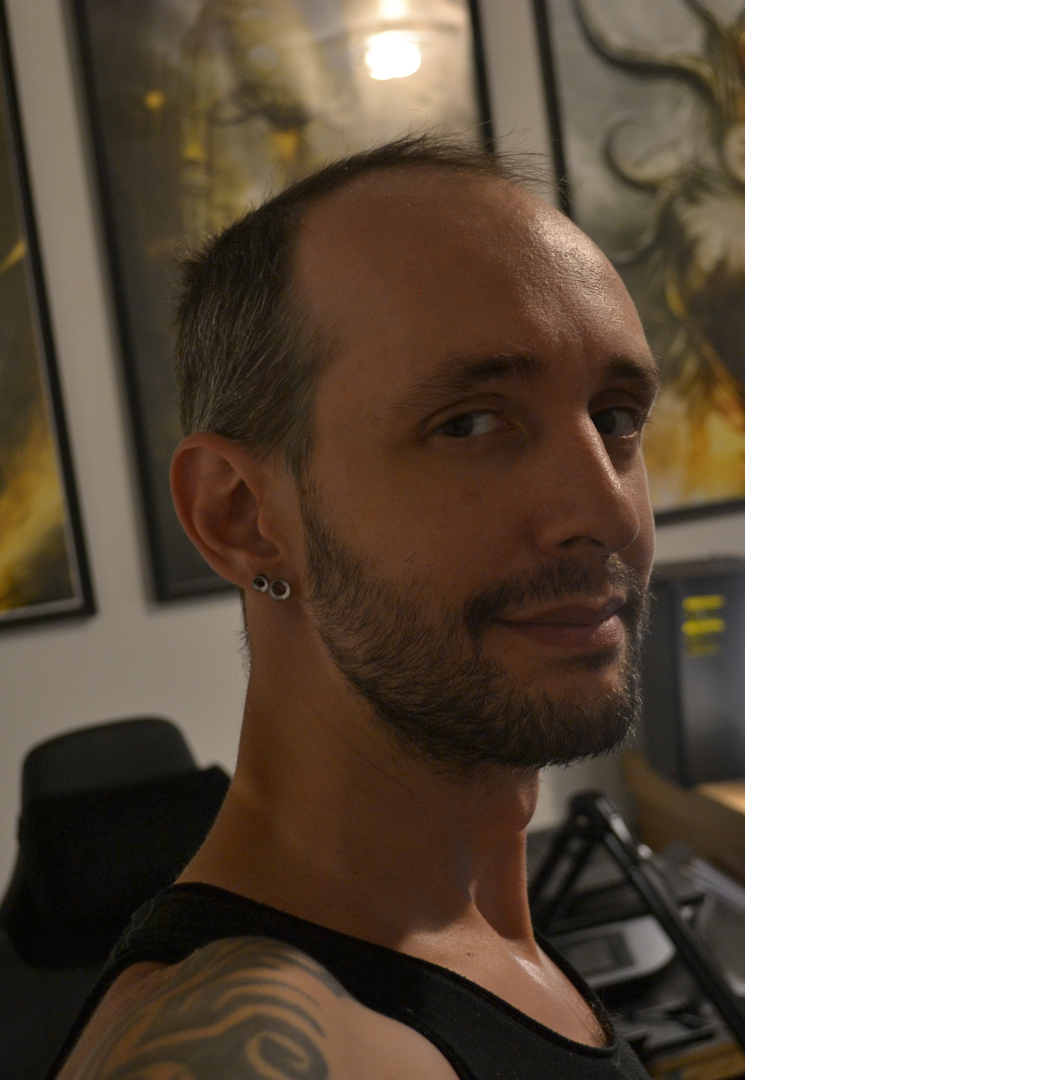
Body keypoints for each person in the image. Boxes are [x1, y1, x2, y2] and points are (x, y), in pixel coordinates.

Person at [51, 135, 658, 1079]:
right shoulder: (291, 1047)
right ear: (244, 516)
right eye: (470, 423)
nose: (608, 511)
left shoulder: (477, 936)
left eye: (616, 417)